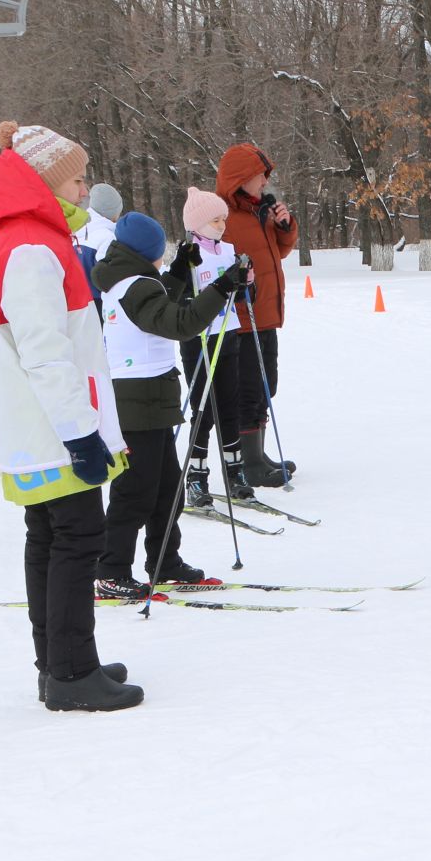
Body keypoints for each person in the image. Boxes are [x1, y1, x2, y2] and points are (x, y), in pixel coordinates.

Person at [0, 120, 138, 712]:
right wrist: (80, 432)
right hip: (54, 426)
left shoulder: (22, 239)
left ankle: (62, 662)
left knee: (51, 537)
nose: (86, 189)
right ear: (46, 184)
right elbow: (45, 352)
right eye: (77, 179)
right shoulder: (32, 248)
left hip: (40, 425)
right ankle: (70, 672)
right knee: (76, 538)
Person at [93, 209, 249, 597]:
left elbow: (159, 307)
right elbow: (178, 323)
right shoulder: (134, 285)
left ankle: (165, 561)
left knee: (166, 490)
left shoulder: (134, 280)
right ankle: (111, 570)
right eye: (162, 251)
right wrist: (221, 288)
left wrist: (179, 272)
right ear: (146, 252)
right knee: (135, 492)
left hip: (151, 398)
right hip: (138, 401)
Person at [214, 143, 297, 486]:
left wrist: (285, 225)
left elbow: (281, 251)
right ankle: (249, 465)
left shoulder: (258, 212)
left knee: (266, 386)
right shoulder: (224, 218)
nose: (264, 182)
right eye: (259, 176)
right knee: (248, 390)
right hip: (242, 319)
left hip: (266, 315)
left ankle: (258, 454)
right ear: (240, 179)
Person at [175, 187, 248, 508]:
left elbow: (243, 297)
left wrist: (247, 282)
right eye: (215, 220)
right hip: (199, 341)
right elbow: (175, 297)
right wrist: (186, 285)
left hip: (228, 335)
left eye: (223, 219)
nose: (221, 226)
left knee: (230, 406)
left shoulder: (229, 250)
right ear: (196, 224)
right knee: (203, 411)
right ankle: (196, 476)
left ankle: (235, 472)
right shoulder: (188, 254)